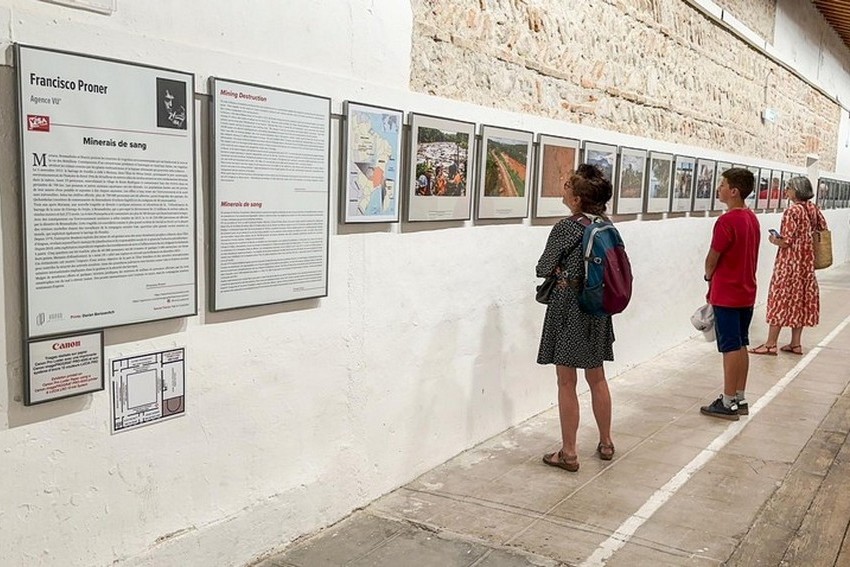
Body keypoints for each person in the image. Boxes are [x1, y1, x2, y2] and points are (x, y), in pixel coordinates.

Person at [537, 164, 616, 472]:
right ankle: (606, 441)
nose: (564, 188)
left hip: (569, 307)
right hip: (597, 308)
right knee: (597, 377)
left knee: (566, 380)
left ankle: (569, 452)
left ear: (578, 198)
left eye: (569, 185)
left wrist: (558, 270)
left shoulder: (567, 227)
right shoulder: (605, 224)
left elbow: (543, 267)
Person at [700, 168, 760, 420]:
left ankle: (726, 401)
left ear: (734, 191)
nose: (719, 188)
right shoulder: (751, 218)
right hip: (746, 291)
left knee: (729, 347)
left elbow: (713, 258)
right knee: (742, 342)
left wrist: (707, 277)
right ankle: (739, 396)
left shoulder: (727, 221)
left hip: (727, 293)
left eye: (723, 184)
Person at [749, 176, 827, 356]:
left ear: (797, 190)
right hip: (806, 263)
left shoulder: (793, 211)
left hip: (790, 262)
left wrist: (773, 239)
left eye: (789, 187)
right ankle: (795, 343)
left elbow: (786, 241)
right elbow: (822, 228)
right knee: (800, 299)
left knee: (780, 297)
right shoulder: (813, 209)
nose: (786, 191)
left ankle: (770, 343)